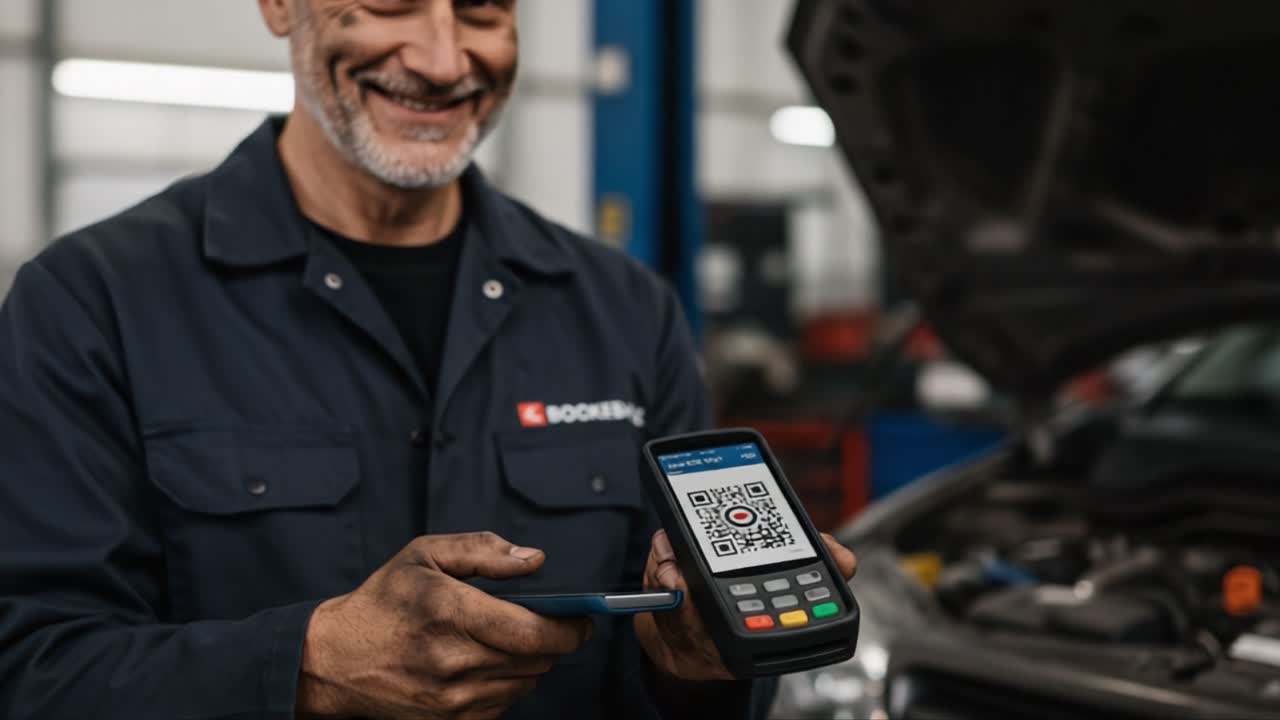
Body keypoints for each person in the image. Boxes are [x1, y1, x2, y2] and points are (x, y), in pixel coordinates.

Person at [0, 1, 858, 718]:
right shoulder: (92, 304)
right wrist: (304, 664)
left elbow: (653, 674)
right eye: (389, 3)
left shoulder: (626, 310)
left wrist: (692, 665)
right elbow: (32, 667)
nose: (444, 59)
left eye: (482, 11)